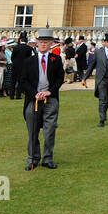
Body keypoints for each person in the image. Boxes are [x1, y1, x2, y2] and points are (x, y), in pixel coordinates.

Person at [20, 30, 63, 170]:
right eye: (41, 42)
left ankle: (48, 159)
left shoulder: (56, 60)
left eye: (46, 42)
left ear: (50, 44)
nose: (43, 44)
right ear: (37, 43)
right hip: (34, 100)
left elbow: (59, 79)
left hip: (50, 99)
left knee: (49, 130)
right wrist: (35, 94)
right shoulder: (28, 61)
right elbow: (23, 81)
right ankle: (32, 159)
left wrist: (50, 91)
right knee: (32, 131)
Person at [86, 32, 108, 127]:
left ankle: (104, 111)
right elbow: (92, 65)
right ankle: (101, 120)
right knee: (103, 99)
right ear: (104, 42)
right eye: (107, 42)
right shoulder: (98, 52)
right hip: (101, 79)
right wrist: (84, 78)